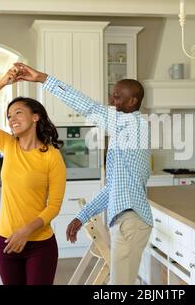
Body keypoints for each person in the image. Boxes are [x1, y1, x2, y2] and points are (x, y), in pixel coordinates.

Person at [13, 62, 153, 285]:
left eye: (117, 97)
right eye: (112, 95)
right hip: (126, 220)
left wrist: (43, 79)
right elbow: (112, 189)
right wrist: (81, 216)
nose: (110, 101)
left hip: (131, 222)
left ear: (132, 102)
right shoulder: (123, 134)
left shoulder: (133, 125)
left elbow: (89, 107)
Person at [0, 66, 66, 285]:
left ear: (36, 117)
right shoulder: (8, 144)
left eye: (18, 112)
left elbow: (54, 205)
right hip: (7, 241)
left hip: (40, 244)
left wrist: (26, 231)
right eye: (9, 116)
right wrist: (3, 82)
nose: (12, 118)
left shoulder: (52, 156)